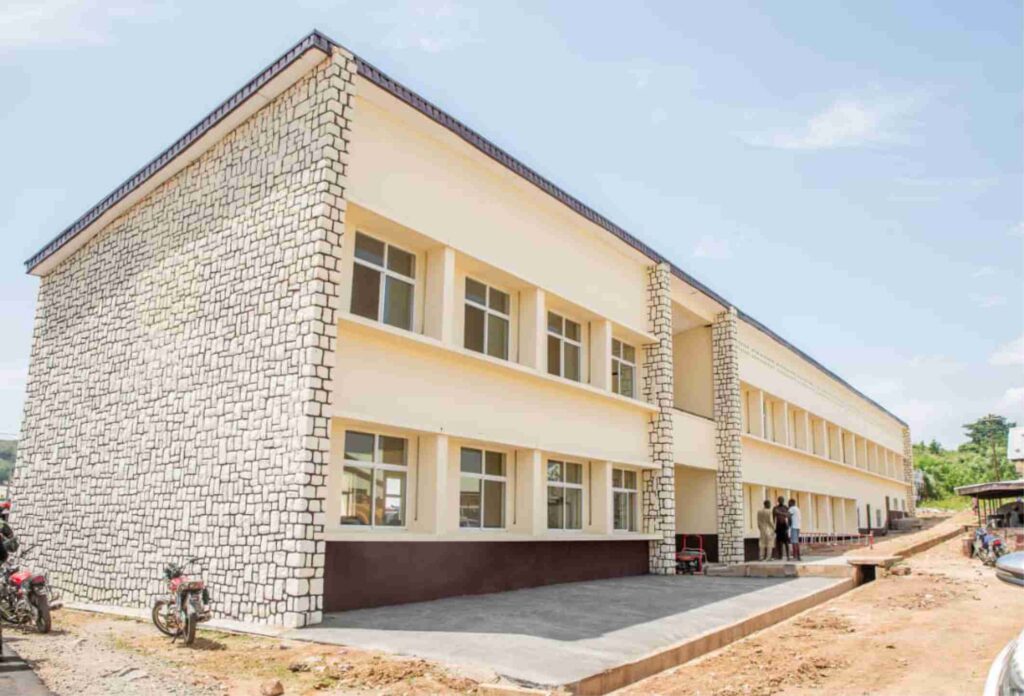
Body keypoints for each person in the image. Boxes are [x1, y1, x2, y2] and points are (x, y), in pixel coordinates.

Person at [772, 496, 791, 561]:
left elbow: (789, 516)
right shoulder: (775, 508)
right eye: (779, 500)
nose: (781, 501)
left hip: (784, 526)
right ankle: (780, 556)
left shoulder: (786, 507)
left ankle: (788, 555)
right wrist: (773, 527)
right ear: (778, 501)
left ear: (783, 500)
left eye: (782, 500)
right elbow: (773, 518)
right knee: (779, 542)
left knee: (786, 542)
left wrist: (789, 525)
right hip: (778, 526)